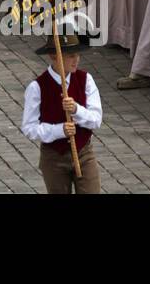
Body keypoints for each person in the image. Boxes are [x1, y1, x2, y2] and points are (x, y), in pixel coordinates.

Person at [20, 13, 104, 194]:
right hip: (53, 157)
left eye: (77, 54)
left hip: (83, 153)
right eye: (70, 55)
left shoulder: (85, 79)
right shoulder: (37, 87)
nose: (76, 60)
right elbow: (29, 127)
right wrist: (59, 130)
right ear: (54, 55)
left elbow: (96, 119)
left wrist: (76, 110)